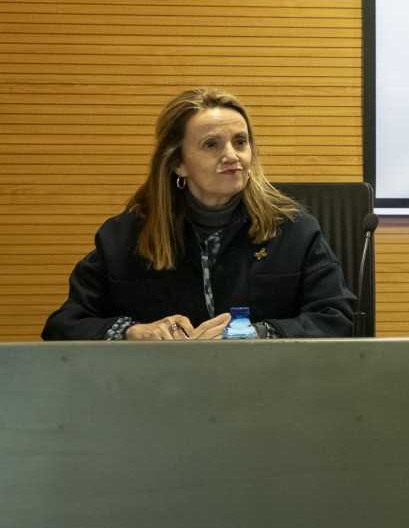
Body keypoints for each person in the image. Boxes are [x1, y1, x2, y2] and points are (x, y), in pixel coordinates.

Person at [43, 88, 355, 340]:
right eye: (211, 145)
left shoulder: (293, 229)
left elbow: (335, 317)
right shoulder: (125, 236)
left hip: (266, 391)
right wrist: (132, 331)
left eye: (240, 142)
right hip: (161, 394)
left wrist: (259, 334)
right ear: (178, 163)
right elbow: (65, 323)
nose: (232, 156)